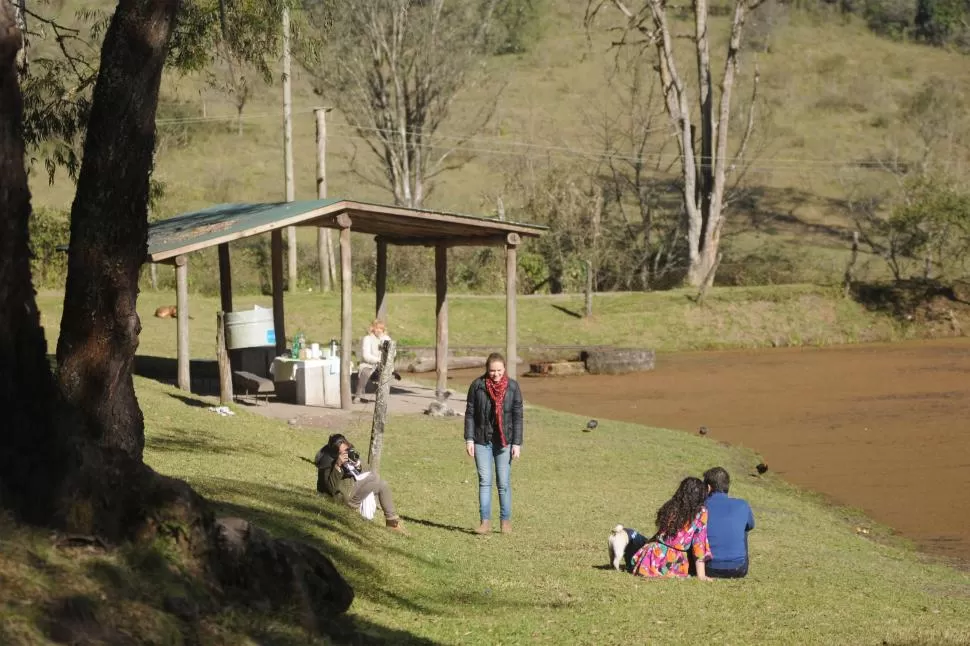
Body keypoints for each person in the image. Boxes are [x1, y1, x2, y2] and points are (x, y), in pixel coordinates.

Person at [464, 352, 523, 534]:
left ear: (504, 369)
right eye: (492, 371)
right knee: (485, 481)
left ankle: (505, 522)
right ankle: (485, 522)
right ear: (486, 370)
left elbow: (517, 417)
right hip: (482, 440)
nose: (496, 374)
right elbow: (470, 414)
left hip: (504, 442)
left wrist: (517, 443)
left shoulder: (513, 387)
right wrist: (469, 438)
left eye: (499, 370)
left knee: (503, 483)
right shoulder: (477, 386)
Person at [314, 433, 405, 533]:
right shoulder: (327, 464)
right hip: (341, 498)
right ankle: (359, 510)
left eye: (347, 450)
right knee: (374, 478)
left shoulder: (349, 454)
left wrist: (358, 465)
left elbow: (368, 471)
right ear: (336, 453)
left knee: (382, 484)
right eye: (343, 452)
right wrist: (338, 466)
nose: (346, 453)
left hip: (351, 491)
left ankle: (392, 523)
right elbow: (331, 489)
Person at [630, 477, 713, 580]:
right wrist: (701, 575)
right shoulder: (701, 512)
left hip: (652, 557)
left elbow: (661, 534)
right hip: (675, 562)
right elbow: (699, 545)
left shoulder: (670, 506)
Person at [703, 466, 755, 578]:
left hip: (707, 568)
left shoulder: (701, 506)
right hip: (738, 569)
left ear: (708, 488)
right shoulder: (742, 505)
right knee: (743, 528)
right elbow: (750, 526)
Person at [354, 320, 390, 403]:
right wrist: (378, 360)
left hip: (382, 365)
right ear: (373, 329)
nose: (379, 330)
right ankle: (358, 395)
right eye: (377, 328)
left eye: (381, 328)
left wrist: (384, 361)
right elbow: (366, 355)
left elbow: (392, 353)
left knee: (386, 374)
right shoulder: (367, 338)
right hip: (368, 364)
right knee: (365, 372)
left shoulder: (387, 339)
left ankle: (381, 397)